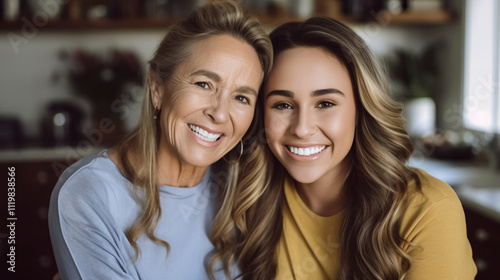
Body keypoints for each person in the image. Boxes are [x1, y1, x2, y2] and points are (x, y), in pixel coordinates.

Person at [210, 18, 477, 279]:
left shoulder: (427, 209)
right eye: (283, 105)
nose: (302, 129)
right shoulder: (245, 196)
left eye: (325, 103)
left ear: (360, 109)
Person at [48, 1, 272, 279]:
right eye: (204, 84)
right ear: (157, 88)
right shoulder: (89, 193)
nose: (220, 113)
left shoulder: (247, 188)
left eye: (241, 97)